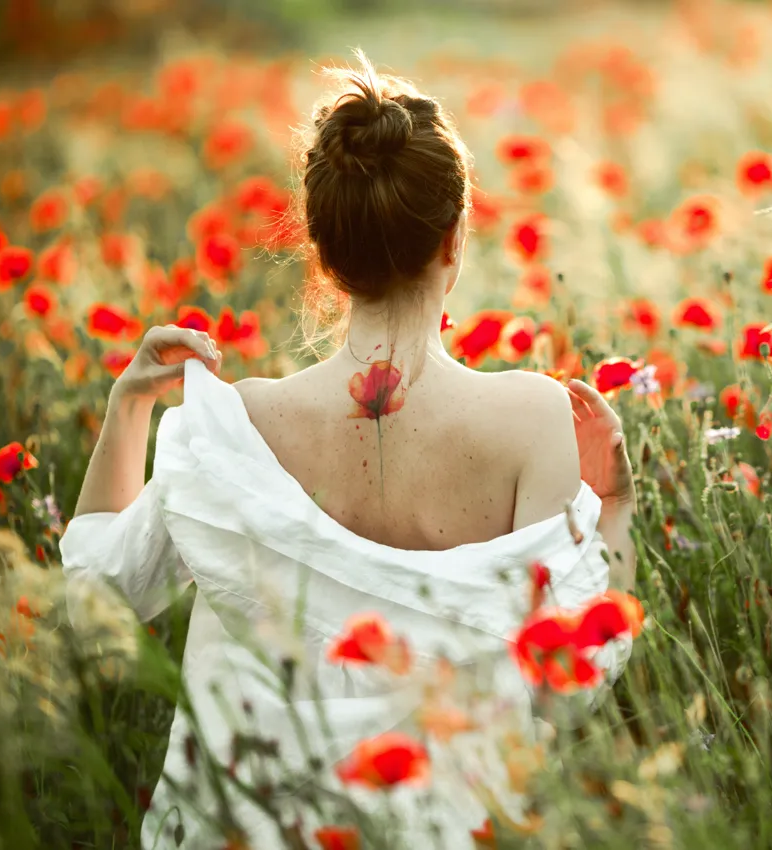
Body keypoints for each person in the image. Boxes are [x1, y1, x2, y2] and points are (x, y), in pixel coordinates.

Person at [60, 53, 636, 849]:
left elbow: (94, 602)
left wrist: (128, 410)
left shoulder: (235, 429)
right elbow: (568, 685)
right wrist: (615, 509)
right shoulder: (535, 418)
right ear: (455, 238)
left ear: (323, 256)